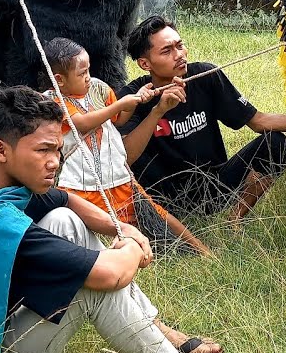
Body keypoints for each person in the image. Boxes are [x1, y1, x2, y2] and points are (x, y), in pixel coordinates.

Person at [0, 85, 249, 353]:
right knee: (89, 286)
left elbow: (63, 199)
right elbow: (111, 275)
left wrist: (121, 227)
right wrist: (133, 246)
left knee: (64, 219)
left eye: (57, 148)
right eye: (43, 150)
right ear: (2, 150)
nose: (55, 161)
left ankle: (154, 330)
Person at [119, 15, 286, 224]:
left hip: (215, 185)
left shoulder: (206, 75)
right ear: (145, 64)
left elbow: (258, 121)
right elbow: (124, 158)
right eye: (167, 51)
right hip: (163, 196)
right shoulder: (133, 97)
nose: (179, 55)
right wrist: (157, 111)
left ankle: (234, 219)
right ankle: (160, 221)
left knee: (276, 143)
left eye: (180, 45)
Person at [41, 36, 215, 257]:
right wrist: (121, 104)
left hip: (118, 175)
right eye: (82, 73)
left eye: (89, 70)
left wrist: (136, 101)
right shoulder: (52, 102)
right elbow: (82, 123)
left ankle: (202, 250)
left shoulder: (99, 88)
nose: (88, 77)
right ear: (59, 80)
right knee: (87, 227)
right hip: (80, 183)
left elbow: (120, 119)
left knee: (157, 213)